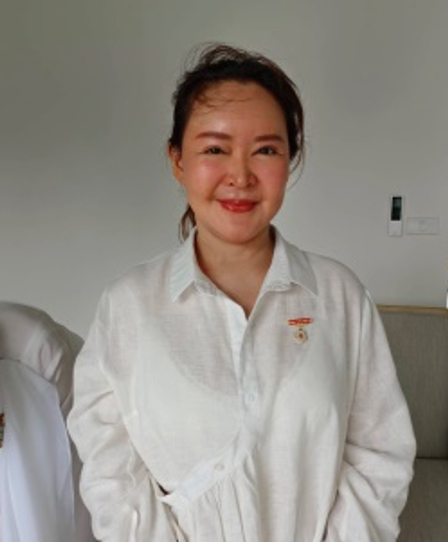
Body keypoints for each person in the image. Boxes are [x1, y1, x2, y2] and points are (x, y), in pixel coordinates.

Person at [67, 44, 416, 542]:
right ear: (177, 160)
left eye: (266, 150)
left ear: (290, 159)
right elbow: (111, 474)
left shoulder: (339, 296)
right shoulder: (129, 307)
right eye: (215, 149)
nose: (240, 176)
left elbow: (380, 454)